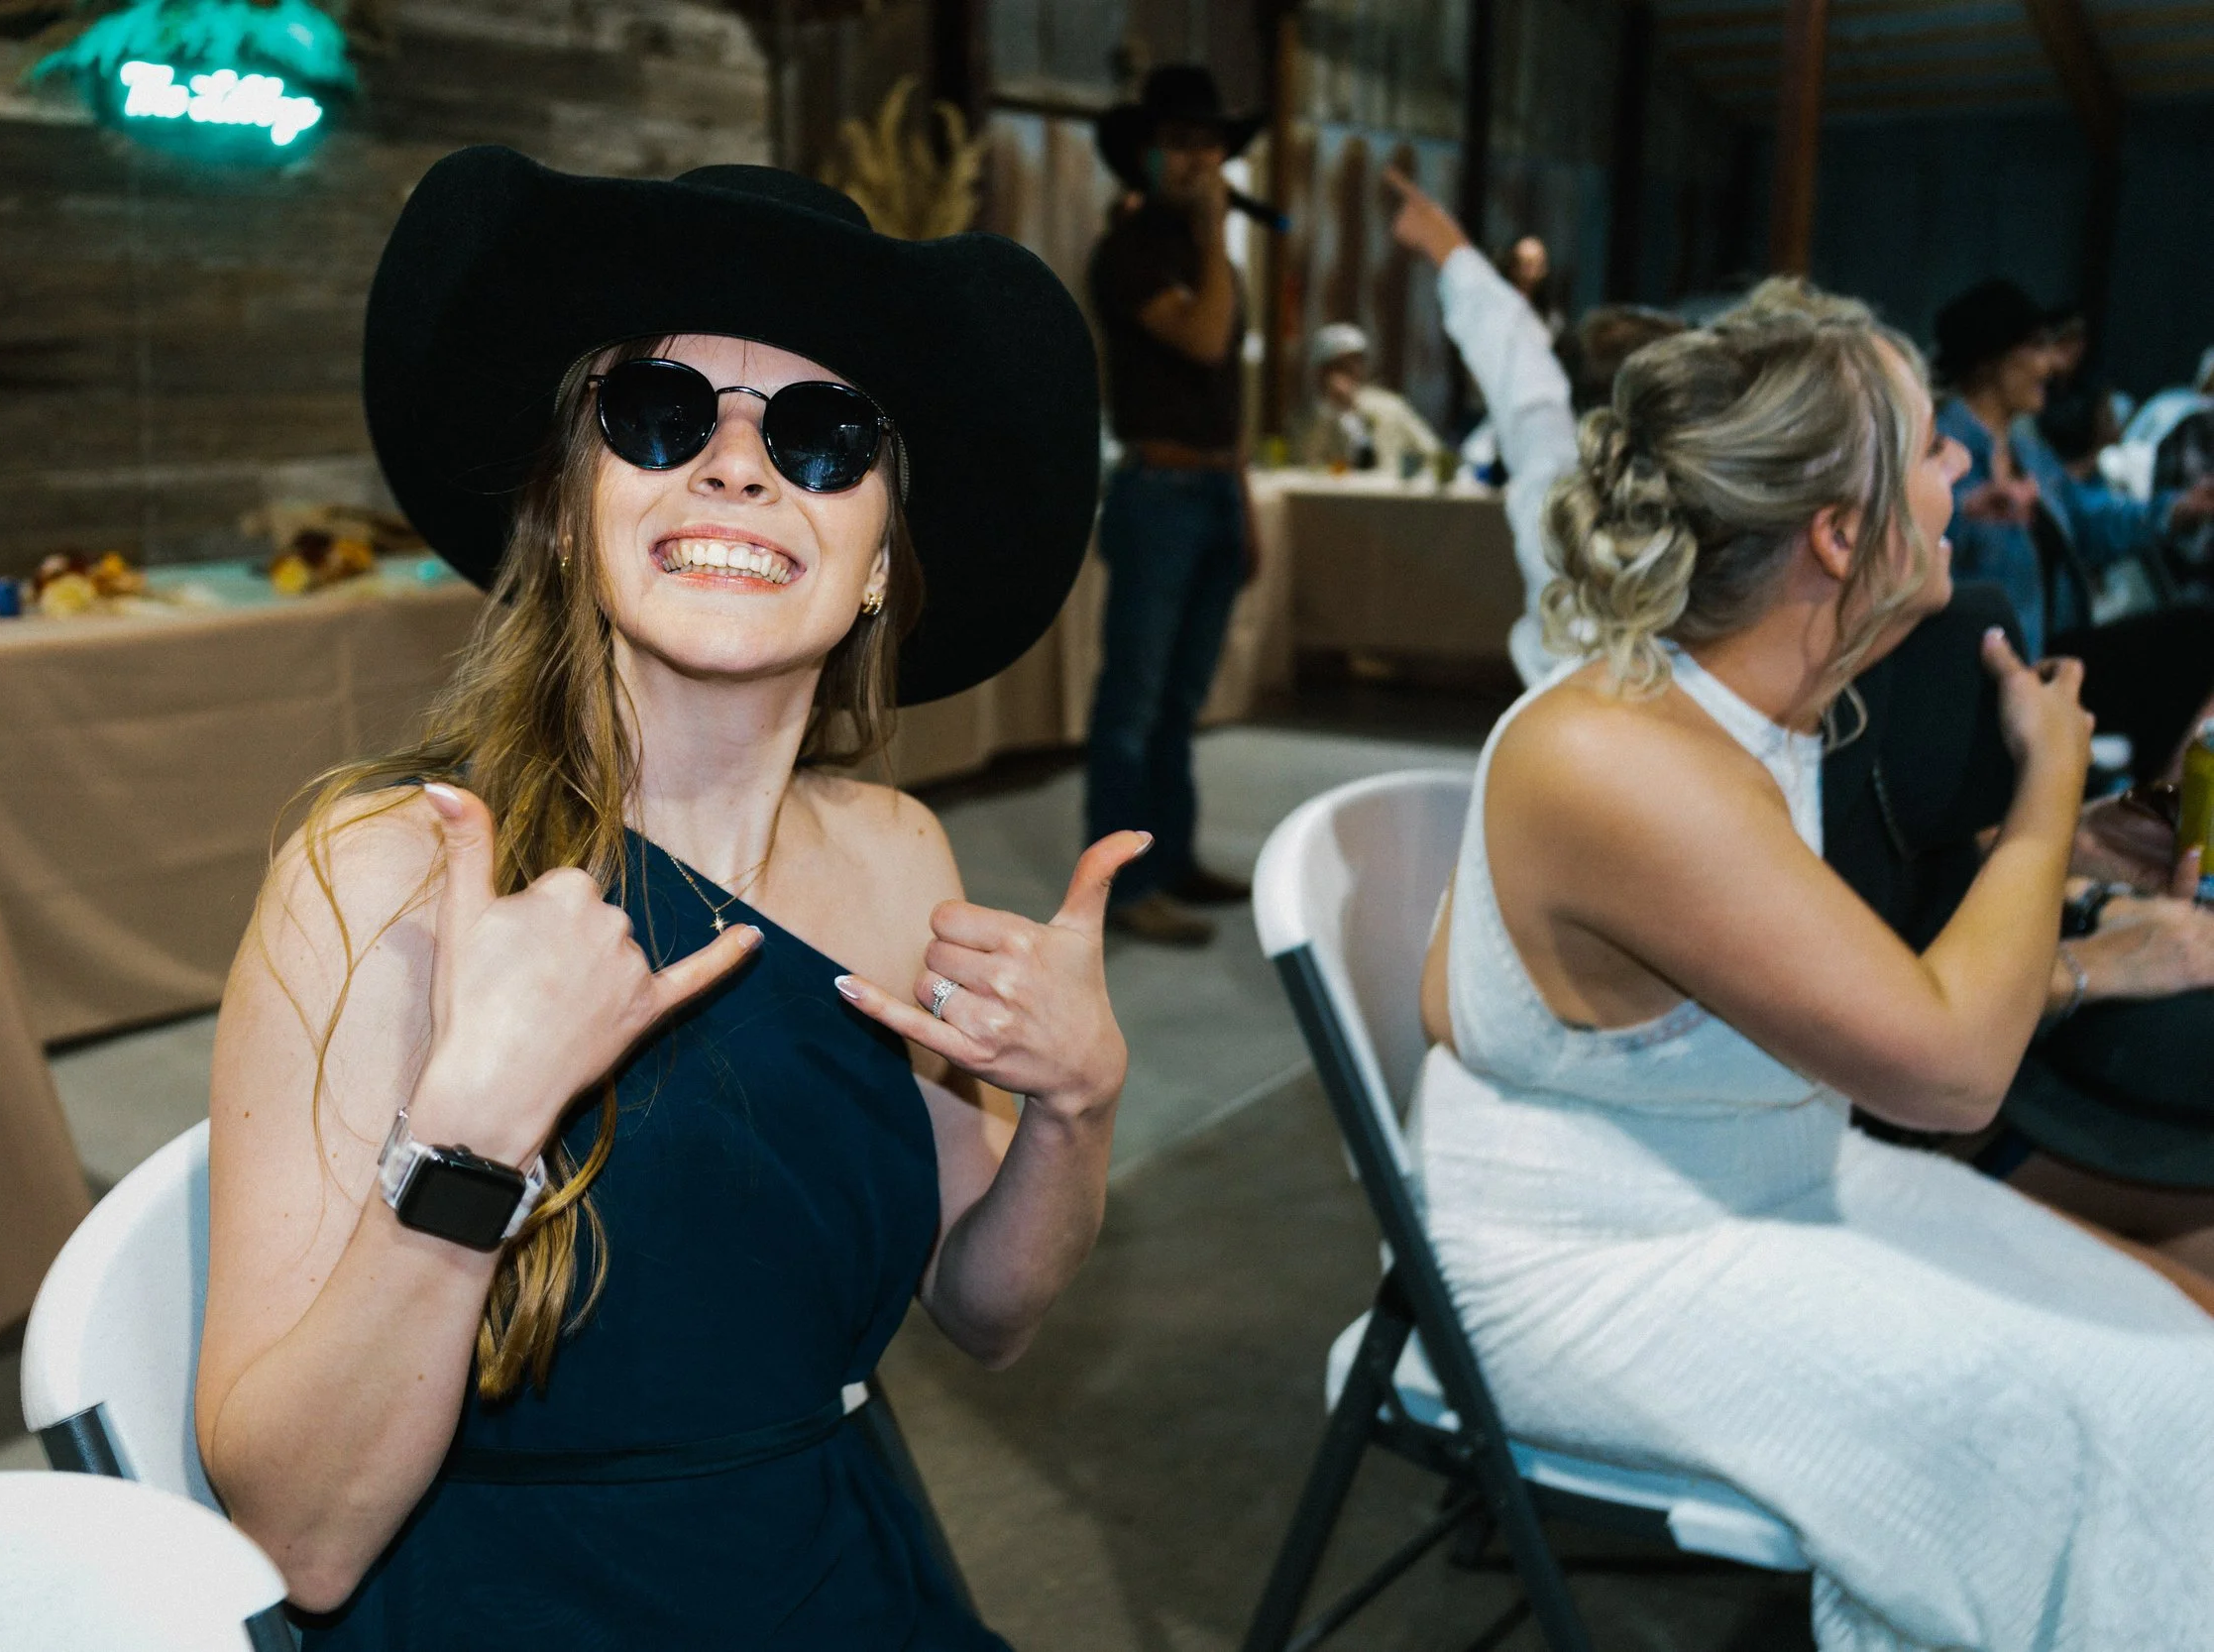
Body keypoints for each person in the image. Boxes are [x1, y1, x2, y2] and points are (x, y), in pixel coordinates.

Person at [193, 147, 1130, 1648]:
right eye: (660, 412)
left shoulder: (899, 853)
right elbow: (296, 1536)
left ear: (880, 558)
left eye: (824, 434)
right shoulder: (378, 873)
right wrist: (472, 1133)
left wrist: (1076, 1106)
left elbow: (986, 1310)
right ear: (570, 509)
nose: (738, 466)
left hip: (835, 1567)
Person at [1413, 282, 2214, 1649]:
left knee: (2186, 1325)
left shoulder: (1751, 715)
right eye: (1927, 446)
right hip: (1601, 1273)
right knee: (2158, 1395)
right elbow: (1955, 1073)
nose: (1958, 469)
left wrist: (2065, 844)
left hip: (1766, 1186)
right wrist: (2046, 790)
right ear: (1840, 534)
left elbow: (1475, 988)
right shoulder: (1618, 752)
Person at [1826, 582, 2214, 1280]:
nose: (1949, 548)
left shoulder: (1921, 634)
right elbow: (1906, 1039)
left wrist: (2066, 848)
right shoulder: (1722, 761)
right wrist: (2087, 964)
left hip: (1997, 1062)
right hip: (1929, 1118)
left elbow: (1904, 868)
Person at [1084, 63, 1266, 947]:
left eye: (1211, 143)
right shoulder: (1131, 249)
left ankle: (1173, 856)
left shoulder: (1206, 255)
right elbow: (1202, 340)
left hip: (1215, 488)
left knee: (1180, 701)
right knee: (1134, 704)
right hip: (1158, 495)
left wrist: (1244, 499)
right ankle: (1123, 886)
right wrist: (1217, 233)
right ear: (1148, 154)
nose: (1201, 159)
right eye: (1182, 143)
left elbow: (1229, 387)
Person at [1382, 169, 1681, 686]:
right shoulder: (1709, 498)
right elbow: (1509, 340)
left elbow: (1507, 344)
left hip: (1560, 700)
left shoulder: (1554, 457)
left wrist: (1441, 239)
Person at [1935, 278, 2214, 777]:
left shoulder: (2028, 453)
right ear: (1991, 359)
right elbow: (1903, 528)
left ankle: (2154, 797)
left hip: (2050, 648)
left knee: (2197, 636)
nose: (2050, 364)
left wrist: (2179, 510)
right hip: (1985, 662)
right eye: (2035, 348)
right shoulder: (1941, 444)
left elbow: (2087, 518)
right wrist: (1964, 512)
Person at [1295, 321, 1443, 473]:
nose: (1351, 370)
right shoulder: (1308, 418)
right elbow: (1304, 463)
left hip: (1384, 485)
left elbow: (1432, 451)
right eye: (1340, 365)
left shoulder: (1389, 406)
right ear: (1321, 372)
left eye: (1356, 362)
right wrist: (1329, 412)